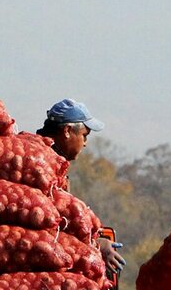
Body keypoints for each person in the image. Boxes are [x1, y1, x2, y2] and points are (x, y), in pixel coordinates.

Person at [36, 98, 124, 279]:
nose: (85, 143)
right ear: (67, 131)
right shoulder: (41, 165)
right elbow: (51, 227)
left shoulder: (55, 165)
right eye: (84, 135)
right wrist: (95, 244)